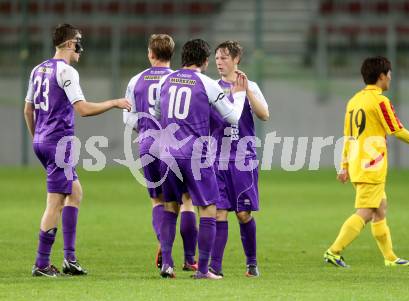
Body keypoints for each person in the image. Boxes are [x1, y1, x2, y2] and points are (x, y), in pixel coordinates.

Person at [24, 23, 131, 277]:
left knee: (75, 192)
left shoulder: (38, 69)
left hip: (43, 140)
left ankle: (70, 259)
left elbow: (28, 110)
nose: (82, 47)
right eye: (79, 42)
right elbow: (82, 109)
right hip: (58, 143)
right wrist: (114, 102)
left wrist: (38, 138)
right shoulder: (66, 71)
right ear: (71, 43)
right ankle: (41, 264)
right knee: (55, 202)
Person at [324, 56, 409, 268]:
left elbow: (347, 137)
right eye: (389, 75)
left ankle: (390, 257)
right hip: (371, 165)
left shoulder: (354, 101)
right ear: (381, 76)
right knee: (366, 211)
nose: (390, 79)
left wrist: (345, 165)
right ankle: (334, 251)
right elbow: (396, 130)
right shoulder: (380, 101)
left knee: (380, 208)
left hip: (359, 163)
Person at [155, 39, 247, 279]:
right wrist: (238, 95)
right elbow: (233, 118)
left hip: (167, 153)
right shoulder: (206, 83)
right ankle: (203, 270)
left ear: (183, 58)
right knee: (208, 209)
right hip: (196, 154)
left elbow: (156, 112)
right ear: (205, 61)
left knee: (170, 207)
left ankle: (167, 264)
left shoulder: (166, 80)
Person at [123, 34, 198, 271]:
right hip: (175, 145)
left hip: (147, 143)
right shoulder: (179, 79)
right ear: (171, 53)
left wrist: (145, 129)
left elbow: (129, 118)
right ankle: (189, 260)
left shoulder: (135, 81)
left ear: (150, 53)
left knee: (158, 200)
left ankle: (166, 256)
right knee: (186, 199)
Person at [209, 41, 269, 277]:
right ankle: (216, 267)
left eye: (224, 58)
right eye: (216, 58)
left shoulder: (250, 85)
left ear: (236, 60)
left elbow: (264, 114)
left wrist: (247, 92)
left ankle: (252, 263)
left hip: (243, 159)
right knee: (219, 212)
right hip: (217, 159)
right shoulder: (212, 87)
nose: (219, 62)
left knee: (243, 214)